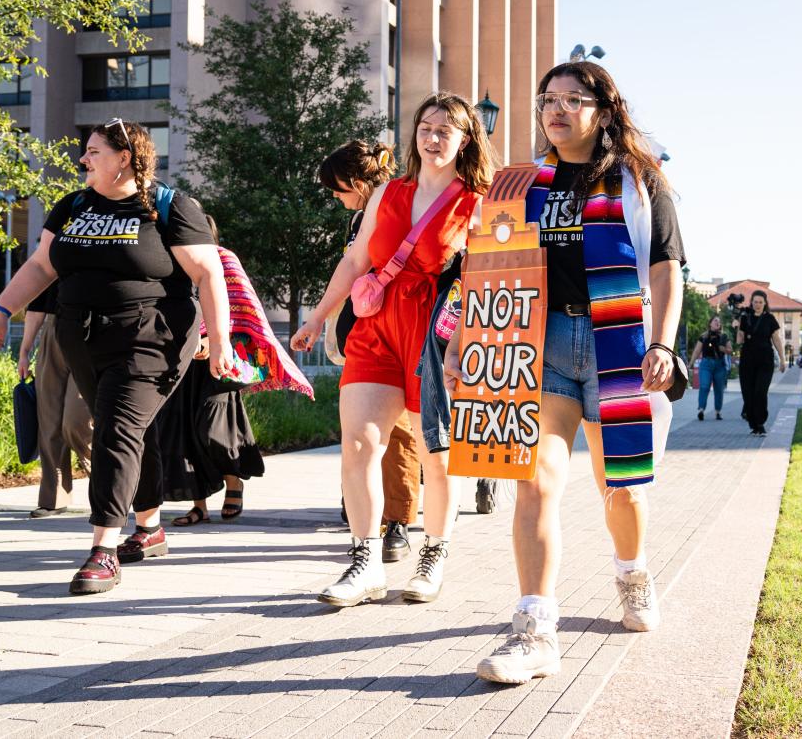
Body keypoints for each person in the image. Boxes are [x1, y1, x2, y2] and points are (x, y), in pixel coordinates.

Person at [444, 62, 685, 684]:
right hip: (539, 343)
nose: (556, 109)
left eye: (573, 100)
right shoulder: (521, 182)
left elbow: (666, 267)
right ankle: (534, 628)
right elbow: (489, 263)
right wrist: (464, 339)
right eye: (548, 99)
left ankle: (631, 572)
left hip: (620, 343)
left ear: (603, 110)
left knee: (623, 486)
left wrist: (662, 343)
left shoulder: (639, 179)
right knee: (534, 482)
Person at [0, 119, 231, 595]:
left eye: (94, 151)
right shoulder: (73, 205)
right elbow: (41, 266)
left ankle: (103, 549)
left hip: (151, 337)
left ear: (125, 158)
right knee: (131, 430)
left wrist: (218, 339)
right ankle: (150, 525)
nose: (84, 159)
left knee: (117, 428)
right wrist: (1, 311)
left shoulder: (169, 206)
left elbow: (208, 274)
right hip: (84, 337)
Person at [292, 93, 496, 607]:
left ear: (466, 139)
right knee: (359, 442)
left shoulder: (480, 202)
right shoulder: (387, 194)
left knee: (437, 453)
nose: (432, 138)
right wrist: (318, 316)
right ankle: (364, 560)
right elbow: (357, 259)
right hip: (377, 328)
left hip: (438, 334)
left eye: (445, 130)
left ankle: (436, 551)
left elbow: (488, 280)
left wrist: (468, 344)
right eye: (425, 128)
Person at [319, 140, 419, 562]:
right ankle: (369, 516)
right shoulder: (361, 215)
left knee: (399, 431)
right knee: (361, 432)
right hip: (362, 331)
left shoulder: (395, 206)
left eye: (337, 189)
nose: (335, 198)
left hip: (397, 327)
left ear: (358, 183)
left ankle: (398, 521)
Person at [157, 215, 265, 526]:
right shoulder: (171, 262)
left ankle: (234, 481)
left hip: (218, 359)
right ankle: (199, 504)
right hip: (178, 358)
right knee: (181, 431)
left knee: (212, 425)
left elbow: (242, 309)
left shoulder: (224, 260)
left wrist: (214, 338)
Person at [17, 283, 93, 517]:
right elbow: (37, 305)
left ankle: (110, 486)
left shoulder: (106, 247)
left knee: (77, 421)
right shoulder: (53, 251)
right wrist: (24, 351)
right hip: (53, 330)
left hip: (93, 332)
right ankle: (53, 497)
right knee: (49, 420)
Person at [737, 290, 786, 436]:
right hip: (747, 360)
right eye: (755, 302)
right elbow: (739, 340)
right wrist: (738, 326)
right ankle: (753, 424)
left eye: (760, 302)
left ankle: (760, 423)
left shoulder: (770, 319)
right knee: (748, 393)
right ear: (751, 303)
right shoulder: (745, 318)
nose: (757, 304)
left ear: (765, 303)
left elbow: (776, 339)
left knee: (760, 392)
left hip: (765, 360)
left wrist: (783, 359)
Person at [688, 315, 732, 421]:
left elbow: (730, 350)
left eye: (719, 321)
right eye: (715, 321)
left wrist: (724, 350)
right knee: (704, 386)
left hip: (720, 365)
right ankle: (701, 410)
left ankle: (718, 411)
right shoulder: (704, 336)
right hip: (706, 364)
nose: (718, 322)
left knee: (719, 389)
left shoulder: (724, 336)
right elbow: (697, 351)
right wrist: (691, 363)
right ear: (710, 323)